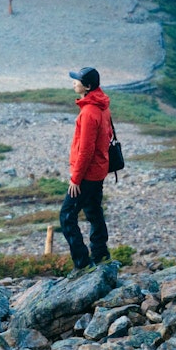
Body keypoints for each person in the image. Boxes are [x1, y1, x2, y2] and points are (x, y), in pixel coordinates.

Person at [60, 66, 112, 274]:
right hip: (98, 170)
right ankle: (100, 254)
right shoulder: (101, 105)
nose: (74, 82)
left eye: (77, 80)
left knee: (66, 216)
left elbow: (86, 150)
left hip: (87, 174)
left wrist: (76, 178)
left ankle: (82, 263)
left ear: (87, 86)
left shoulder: (89, 112)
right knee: (93, 211)